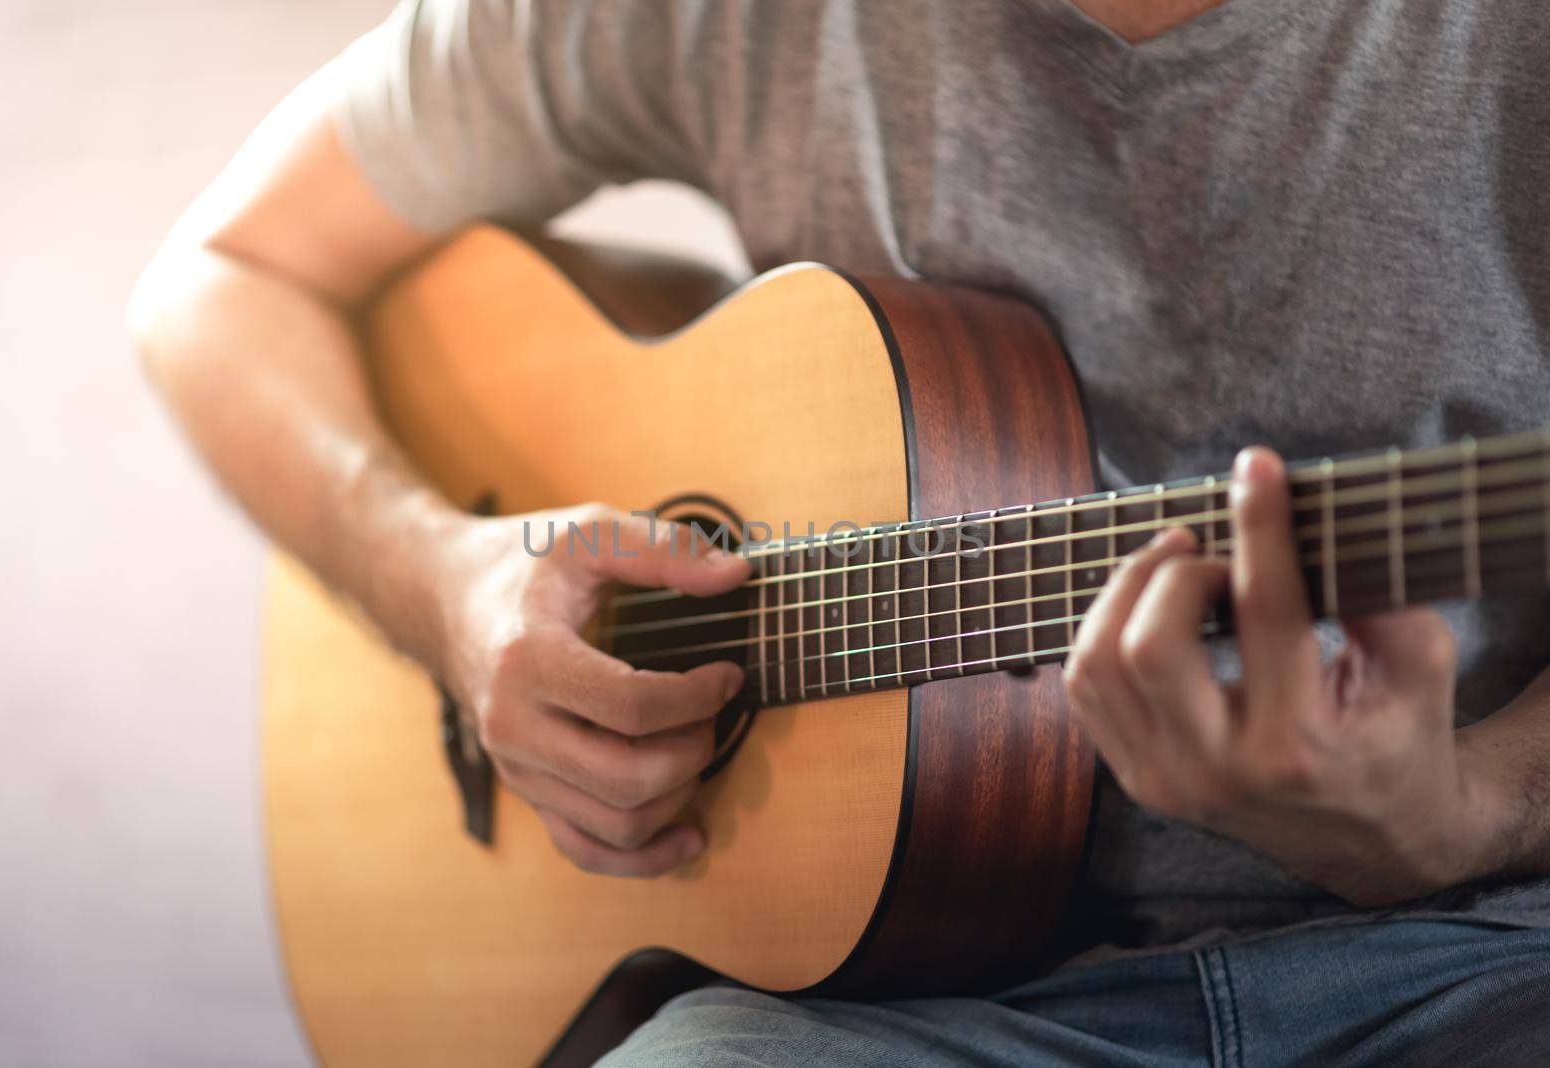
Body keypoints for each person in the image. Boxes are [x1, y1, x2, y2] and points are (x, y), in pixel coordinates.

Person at [129, 0, 1550, 1063]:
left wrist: (1459, 814)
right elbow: (220, 278)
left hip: (1489, 953)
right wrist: (441, 585)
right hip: (893, 1011)